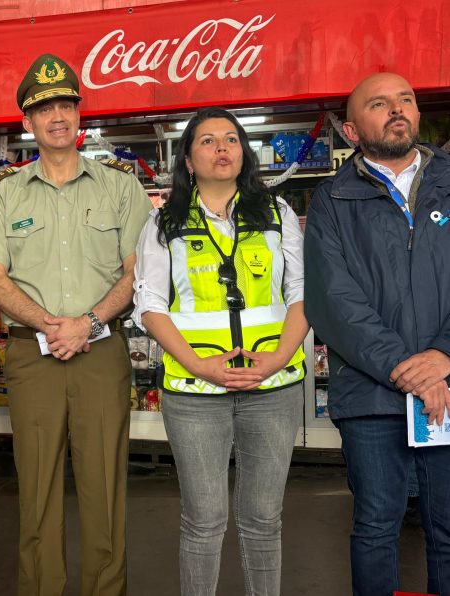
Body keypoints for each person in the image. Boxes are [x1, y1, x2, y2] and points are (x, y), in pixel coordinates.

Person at [0, 54, 149, 596]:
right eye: (44, 108)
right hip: (30, 355)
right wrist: (51, 324)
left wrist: (86, 324)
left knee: (105, 488)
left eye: (65, 104)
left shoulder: (119, 186)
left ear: (78, 114)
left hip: (101, 352)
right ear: (28, 122)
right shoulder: (6, 193)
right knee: (36, 489)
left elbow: (139, 273)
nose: (57, 116)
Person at [132, 107, 307, 594]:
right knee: (204, 521)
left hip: (272, 387)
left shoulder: (277, 213)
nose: (222, 148)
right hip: (193, 393)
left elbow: (302, 294)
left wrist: (274, 360)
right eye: (207, 141)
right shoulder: (163, 221)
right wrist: (199, 365)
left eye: (231, 138)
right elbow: (148, 304)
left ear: (244, 152)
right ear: (188, 159)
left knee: (263, 520)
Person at [305, 72, 450, 596]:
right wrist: (408, 369)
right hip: (371, 394)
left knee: (449, 530)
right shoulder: (332, 201)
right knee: (375, 528)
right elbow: (334, 302)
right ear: (350, 129)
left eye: (406, 100)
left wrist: (442, 356)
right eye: (379, 103)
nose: (397, 110)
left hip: (448, 388)